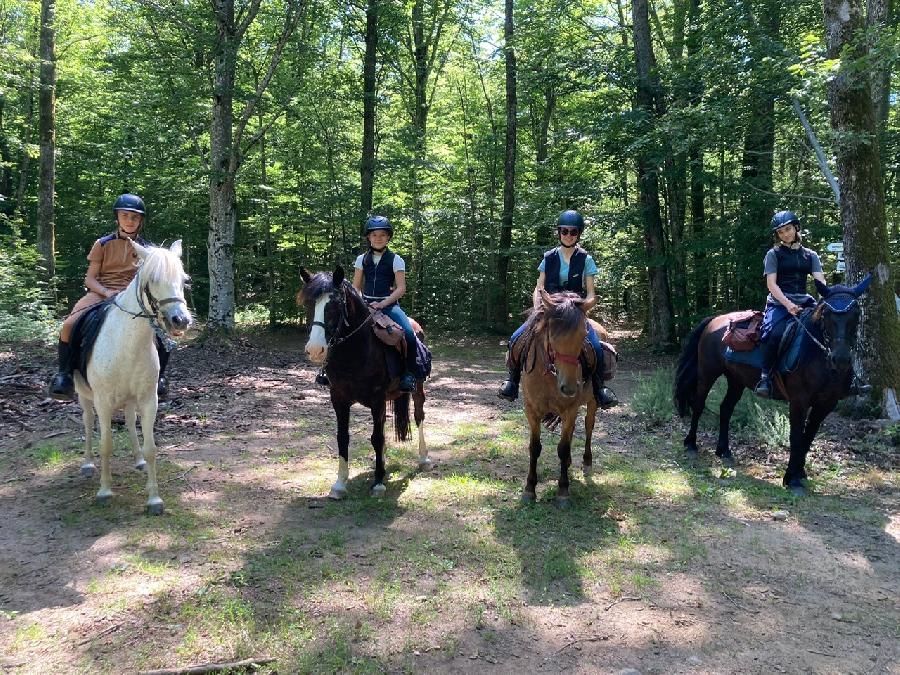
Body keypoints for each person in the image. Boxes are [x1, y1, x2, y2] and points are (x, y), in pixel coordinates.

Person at [48, 194, 174, 401]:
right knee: (69, 324)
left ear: (140, 220)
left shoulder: (149, 250)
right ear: (118, 218)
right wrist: (106, 292)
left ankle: (159, 377)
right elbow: (89, 278)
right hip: (101, 292)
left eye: (134, 217)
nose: (130, 220)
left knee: (163, 331)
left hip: (134, 297)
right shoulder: (103, 243)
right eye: (125, 216)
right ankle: (64, 375)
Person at [498, 210, 618, 409]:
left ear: (578, 234)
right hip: (549, 309)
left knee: (596, 345)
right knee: (516, 337)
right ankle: (512, 382)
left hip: (574, 312)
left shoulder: (586, 259)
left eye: (573, 232)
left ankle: (599, 389)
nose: (568, 235)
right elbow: (539, 288)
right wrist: (539, 309)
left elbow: (590, 292)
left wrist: (583, 309)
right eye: (564, 231)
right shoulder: (549, 257)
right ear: (559, 232)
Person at [754, 210, 826, 398]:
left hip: (803, 300)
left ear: (796, 228)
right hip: (779, 302)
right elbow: (771, 284)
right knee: (775, 334)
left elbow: (820, 282)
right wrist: (787, 304)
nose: (785, 234)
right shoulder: (774, 254)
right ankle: (765, 377)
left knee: (829, 327)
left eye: (788, 229)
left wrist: (824, 300)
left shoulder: (810, 255)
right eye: (781, 232)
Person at [352, 215, 418, 393]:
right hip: (365, 305)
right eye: (374, 235)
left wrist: (382, 304)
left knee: (410, 335)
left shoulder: (397, 260)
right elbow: (356, 287)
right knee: (340, 330)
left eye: (382, 235)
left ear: (388, 237)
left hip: (389, 306)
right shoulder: (361, 259)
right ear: (368, 237)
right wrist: (362, 302)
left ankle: (409, 374)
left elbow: (401, 288)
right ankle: (329, 372)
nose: (378, 238)